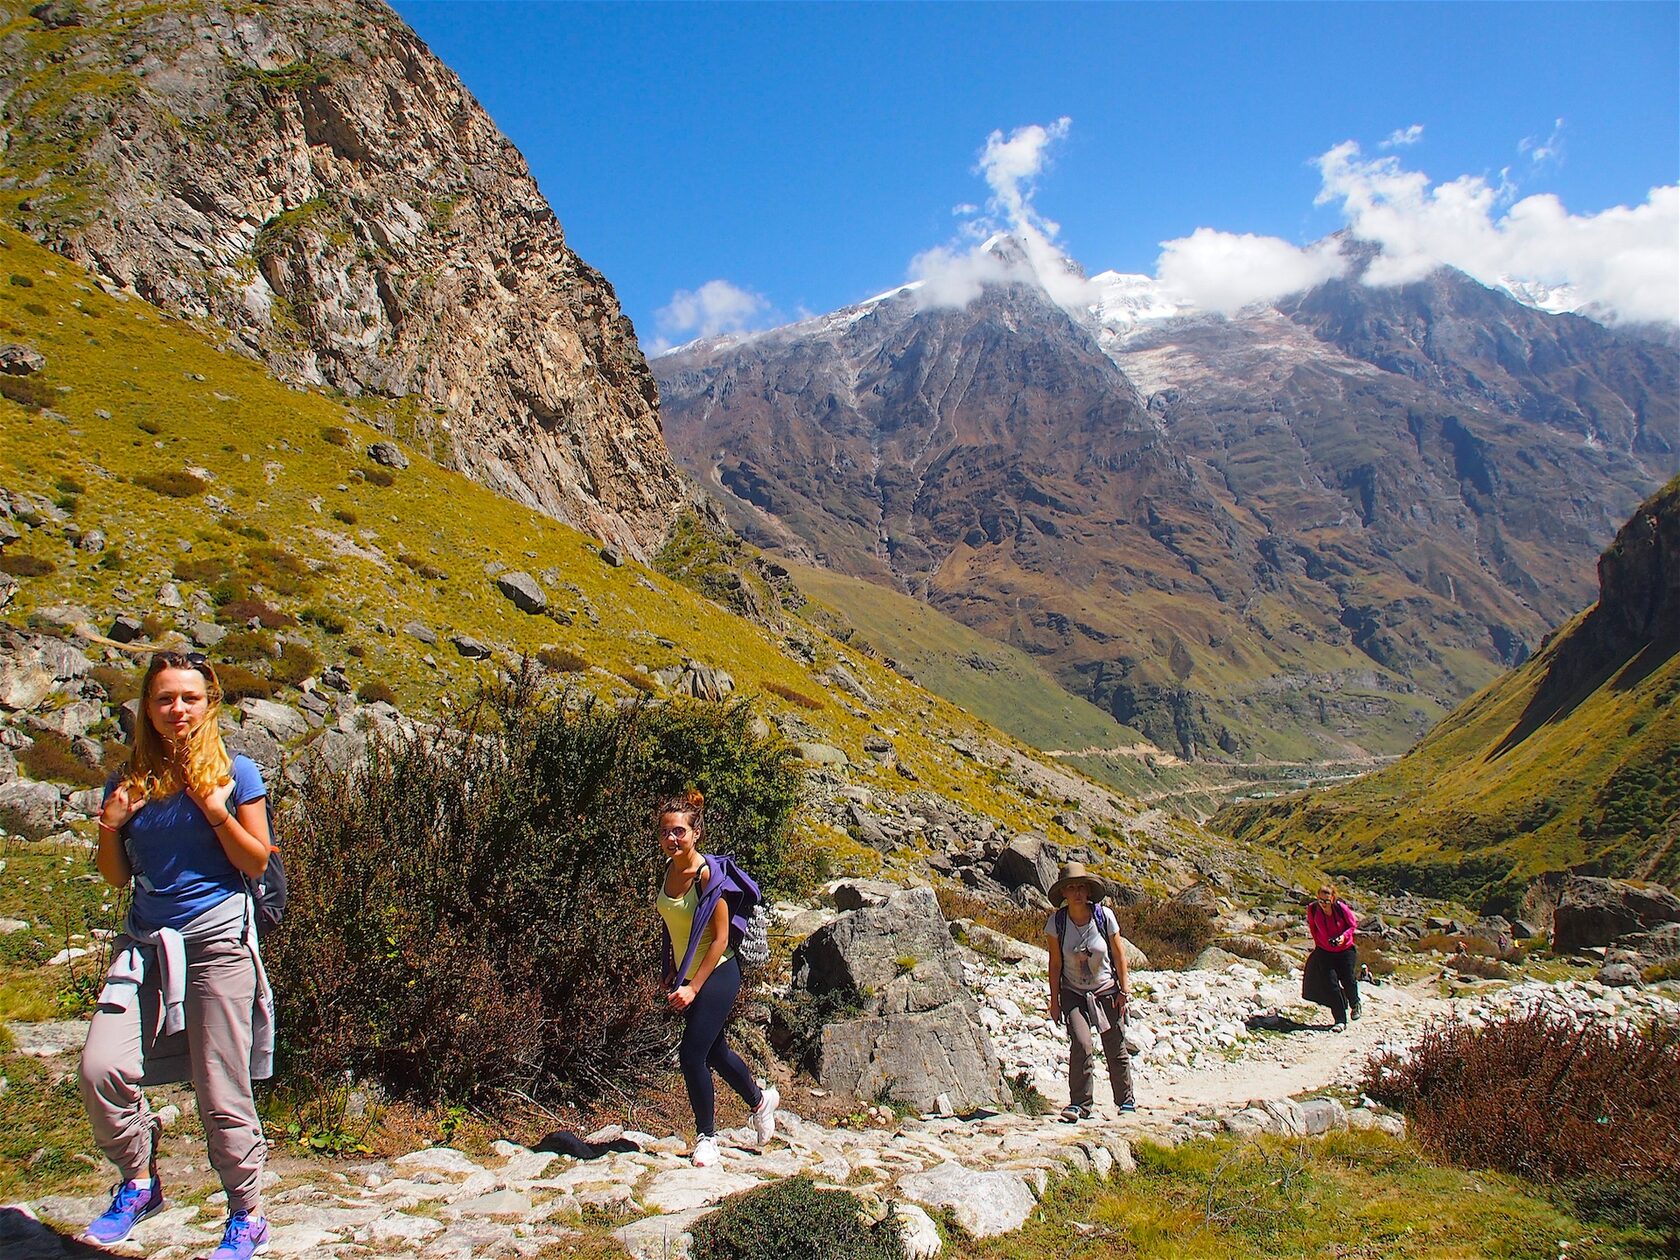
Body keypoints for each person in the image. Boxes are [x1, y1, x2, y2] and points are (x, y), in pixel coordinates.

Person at [78, 651, 276, 1260]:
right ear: (147, 706)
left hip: (219, 945)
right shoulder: (129, 780)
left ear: (208, 702)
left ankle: (246, 1214)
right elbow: (116, 878)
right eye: (164, 698)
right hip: (145, 947)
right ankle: (139, 1182)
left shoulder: (235, 772)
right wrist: (110, 825)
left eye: (189, 697)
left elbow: (255, 860)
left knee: (222, 1090)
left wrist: (216, 811)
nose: (177, 709)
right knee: (100, 1068)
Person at [655, 789, 779, 1167]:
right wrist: (670, 969)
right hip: (687, 976)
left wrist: (693, 987)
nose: (672, 839)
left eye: (679, 831)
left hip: (719, 972)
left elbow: (721, 939)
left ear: (695, 834)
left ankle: (707, 1138)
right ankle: (760, 1100)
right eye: (665, 832)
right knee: (716, 1052)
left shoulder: (709, 877)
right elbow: (670, 924)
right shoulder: (669, 871)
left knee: (691, 1055)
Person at [1045, 861, 1134, 1121]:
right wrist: (1055, 1001)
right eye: (1071, 888)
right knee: (1082, 1044)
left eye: (1081, 887)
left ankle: (1125, 1101)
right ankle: (1079, 1104)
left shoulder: (1104, 917)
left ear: (1088, 890)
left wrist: (1124, 990)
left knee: (1114, 1046)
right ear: (1063, 893)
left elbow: (1119, 955)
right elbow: (1055, 964)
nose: (1077, 893)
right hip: (1073, 993)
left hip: (1106, 990)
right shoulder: (1057, 923)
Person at [1303, 882, 1360, 1031]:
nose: (1323, 904)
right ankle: (1340, 1020)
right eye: (1320, 900)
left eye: (1326, 901)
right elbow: (1313, 927)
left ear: (1333, 898)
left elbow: (1352, 925)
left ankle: (1355, 1003)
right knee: (1331, 984)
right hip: (1324, 951)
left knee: (1348, 980)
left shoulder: (1340, 908)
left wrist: (1343, 937)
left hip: (1345, 950)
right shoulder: (1313, 909)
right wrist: (1319, 945)